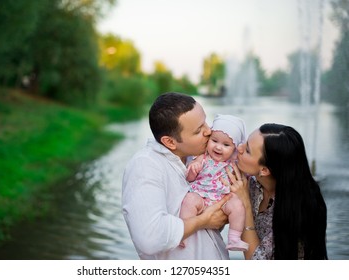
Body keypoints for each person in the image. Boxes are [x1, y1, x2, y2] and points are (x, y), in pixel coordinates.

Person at [122, 92, 231, 260]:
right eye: (198, 131)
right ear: (170, 142)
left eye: (205, 123)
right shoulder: (145, 165)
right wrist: (203, 220)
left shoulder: (198, 158)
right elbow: (149, 237)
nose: (209, 131)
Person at [223, 123, 328, 260]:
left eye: (247, 150)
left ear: (264, 170)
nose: (239, 148)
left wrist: (246, 205)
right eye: (245, 142)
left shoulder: (298, 211)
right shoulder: (254, 185)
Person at [180, 114, 248, 251]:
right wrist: (193, 170)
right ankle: (182, 233)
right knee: (189, 200)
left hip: (223, 200)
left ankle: (234, 238)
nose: (218, 147)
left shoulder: (234, 163)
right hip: (202, 196)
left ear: (234, 148)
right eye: (214, 141)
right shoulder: (202, 157)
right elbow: (190, 179)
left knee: (237, 205)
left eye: (226, 145)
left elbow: (247, 175)